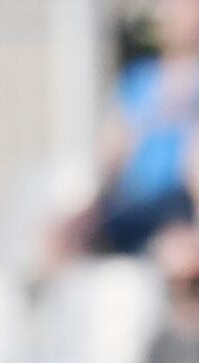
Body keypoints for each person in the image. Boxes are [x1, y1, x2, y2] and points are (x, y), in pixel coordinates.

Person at [54, 0, 199, 259]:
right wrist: (93, 208)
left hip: (182, 209)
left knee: (178, 256)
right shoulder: (138, 80)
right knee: (59, 238)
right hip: (136, 204)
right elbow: (112, 151)